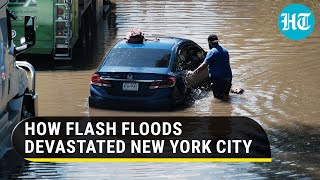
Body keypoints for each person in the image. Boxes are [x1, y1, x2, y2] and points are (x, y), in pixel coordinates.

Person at [189, 34, 232, 99]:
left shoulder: (212, 52)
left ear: (209, 42)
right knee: (226, 97)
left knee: (218, 99)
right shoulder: (225, 50)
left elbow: (203, 65)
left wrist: (193, 73)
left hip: (218, 80)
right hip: (228, 77)